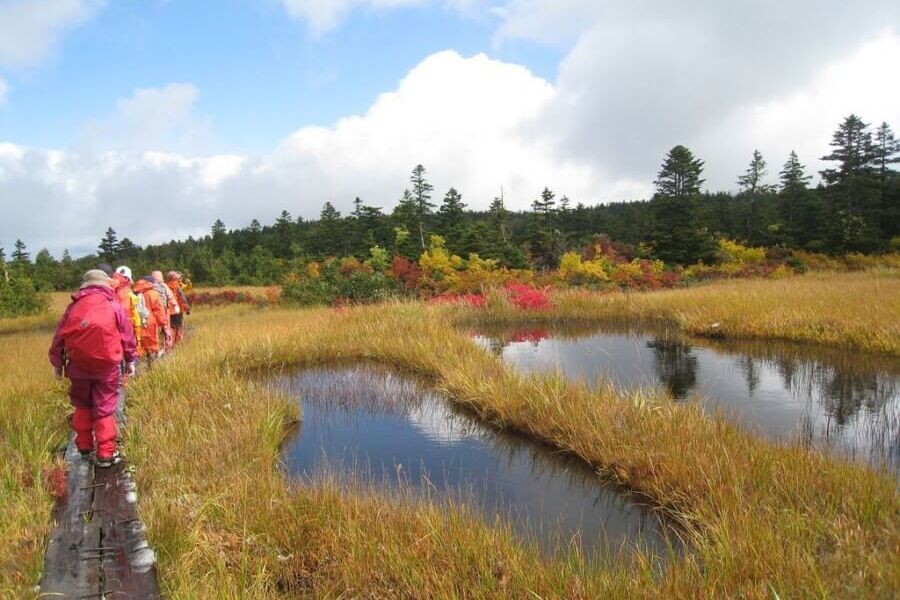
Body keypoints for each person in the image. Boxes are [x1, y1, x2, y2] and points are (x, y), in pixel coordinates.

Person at [49, 269, 137, 467]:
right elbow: (127, 336)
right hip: (107, 367)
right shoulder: (113, 305)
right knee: (105, 407)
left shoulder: (73, 307)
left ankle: (84, 447)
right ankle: (106, 454)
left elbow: (59, 337)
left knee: (82, 404)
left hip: (77, 367)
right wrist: (130, 360)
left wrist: (57, 363)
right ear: (105, 284)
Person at [133, 276, 169, 366]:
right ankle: (151, 368)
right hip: (150, 323)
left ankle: (136, 368)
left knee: (139, 346)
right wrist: (163, 323)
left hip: (137, 323)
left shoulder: (134, 292)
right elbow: (159, 310)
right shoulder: (154, 293)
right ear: (151, 283)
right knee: (152, 347)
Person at [151, 270, 174, 354]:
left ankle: (156, 350)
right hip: (164, 312)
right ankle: (168, 350)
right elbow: (171, 298)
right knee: (166, 330)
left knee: (155, 331)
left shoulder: (150, 286)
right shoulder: (164, 286)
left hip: (152, 313)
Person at [166, 271, 191, 347]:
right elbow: (182, 298)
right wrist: (187, 309)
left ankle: (171, 343)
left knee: (171, 327)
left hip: (169, 310)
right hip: (178, 310)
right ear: (175, 278)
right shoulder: (177, 286)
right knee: (179, 327)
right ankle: (178, 344)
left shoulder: (166, 286)